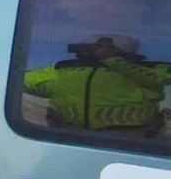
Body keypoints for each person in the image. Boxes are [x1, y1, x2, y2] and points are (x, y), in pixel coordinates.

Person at [23, 34, 171, 135]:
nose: (96, 49)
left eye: (102, 46)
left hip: (131, 139)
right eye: (93, 46)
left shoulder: (150, 67)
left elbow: (160, 79)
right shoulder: (64, 68)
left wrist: (113, 60)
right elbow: (21, 81)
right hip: (67, 135)